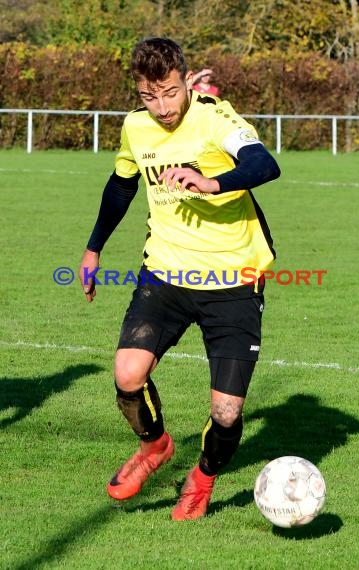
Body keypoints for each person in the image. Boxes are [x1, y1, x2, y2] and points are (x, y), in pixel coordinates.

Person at [79, 37, 281, 521]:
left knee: (227, 412)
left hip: (234, 278)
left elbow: (264, 165)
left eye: (170, 92)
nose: (163, 107)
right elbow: (122, 184)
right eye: (150, 96)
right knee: (128, 375)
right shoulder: (135, 126)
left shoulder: (214, 116)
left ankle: (203, 478)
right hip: (166, 273)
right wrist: (93, 248)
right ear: (138, 91)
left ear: (185, 80)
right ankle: (155, 447)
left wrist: (212, 181)